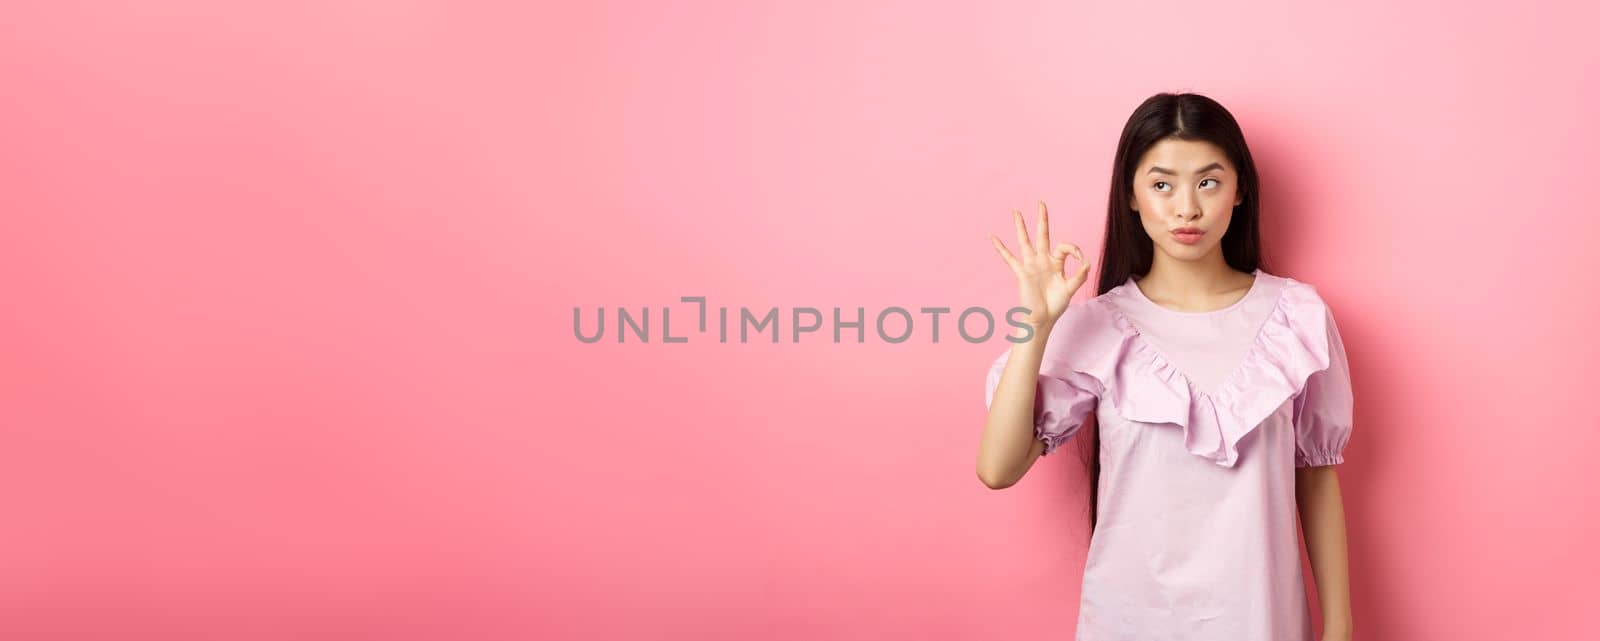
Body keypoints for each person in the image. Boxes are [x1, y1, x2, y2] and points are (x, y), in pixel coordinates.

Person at [977, 92, 1354, 641]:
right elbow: (997, 468)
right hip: (1128, 622)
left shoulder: (1295, 317)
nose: (1186, 208)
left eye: (1208, 181)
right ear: (1130, 196)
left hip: (1261, 619)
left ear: (1239, 189)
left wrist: (1339, 626)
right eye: (1161, 184)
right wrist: (1035, 327)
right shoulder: (1098, 328)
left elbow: (1316, 476)